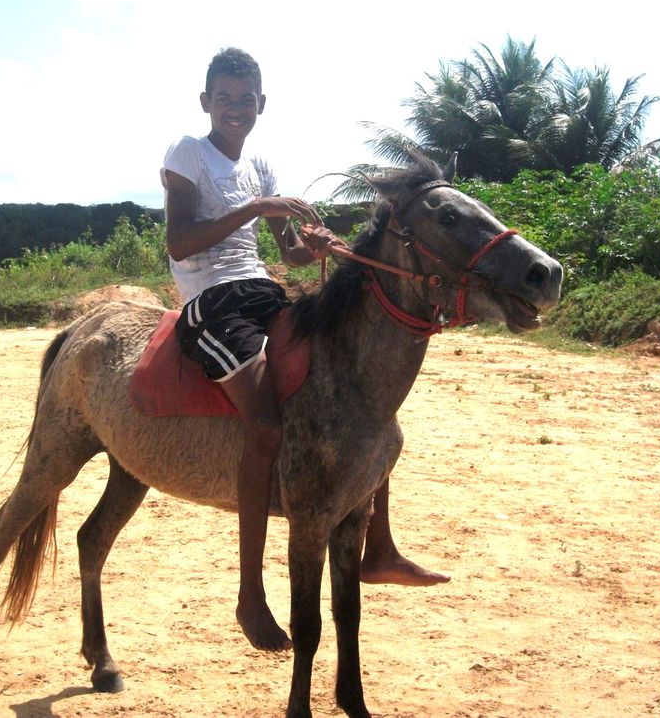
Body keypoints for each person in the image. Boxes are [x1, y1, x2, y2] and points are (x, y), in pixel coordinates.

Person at [162, 47, 447, 653]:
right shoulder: (187, 153)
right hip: (211, 304)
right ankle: (249, 595)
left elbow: (288, 252)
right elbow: (181, 242)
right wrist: (258, 207)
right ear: (205, 101)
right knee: (265, 423)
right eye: (225, 97)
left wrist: (316, 245)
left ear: (261, 105)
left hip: (265, 291)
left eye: (246, 99)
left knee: (357, 394)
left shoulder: (260, 163)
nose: (236, 107)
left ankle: (381, 547)